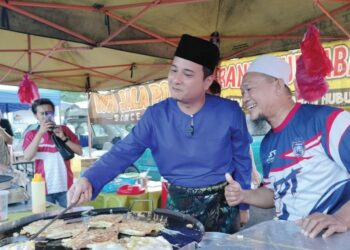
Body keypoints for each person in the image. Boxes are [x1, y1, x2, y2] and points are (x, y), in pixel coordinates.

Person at [68, 34, 252, 233]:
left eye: (187, 74)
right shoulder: (156, 116)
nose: (176, 80)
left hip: (223, 205)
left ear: (207, 81)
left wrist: (244, 205)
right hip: (179, 206)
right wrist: (89, 178)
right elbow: (123, 152)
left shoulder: (230, 112)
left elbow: (242, 159)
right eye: (174, 70)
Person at [225, 55, 350, 238]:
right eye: (243, 93)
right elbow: (274, 193)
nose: (245, 99)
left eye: (249, 89)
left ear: (277, 85)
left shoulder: (327, 121)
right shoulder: (268, 143)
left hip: (330, 240)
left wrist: (342, 218)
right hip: (290, 240)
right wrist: (244, 196)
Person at [23, 98, 82, 207]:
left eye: (49, 113)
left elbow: (80, 151)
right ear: (36, 116)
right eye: (42, 113)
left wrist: (63, 137)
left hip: (66, 185)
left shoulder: (64, 130)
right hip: (43, 186)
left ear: (53, 113)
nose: (46, 116)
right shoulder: (31, 134)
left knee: (70, 217)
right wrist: (40, 133)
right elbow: (27, 157)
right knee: (47, 220)